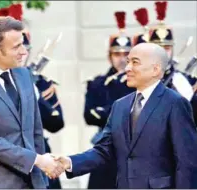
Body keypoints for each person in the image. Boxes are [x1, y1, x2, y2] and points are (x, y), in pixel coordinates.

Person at [54, 43, 197, 189]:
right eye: (128, 62)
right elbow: (104, 150)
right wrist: (70, 162)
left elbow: (187, 162)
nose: (127, 68)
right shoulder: (120, 106)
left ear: (156, 69)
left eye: (135, 62)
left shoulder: (175, 103)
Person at [0, 16, 64, 189]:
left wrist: (43, 171)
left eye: (23, 44)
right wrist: (37, 160)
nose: (24, 52)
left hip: (32, 181)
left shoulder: (24, 75)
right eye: (17, 47)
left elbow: (35, 129)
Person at [84, 11, 135, 189]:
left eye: (126, 54)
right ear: (110, 56)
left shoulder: (138, 83)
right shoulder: (97, 83)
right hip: (105, 149)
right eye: (117, 54)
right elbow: (89, 116)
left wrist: (105, 111)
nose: (121, 59)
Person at [22, 31, 64, 189]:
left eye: (25, 49)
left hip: (38, 152)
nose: (21, 54)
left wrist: (36, 96)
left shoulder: (41, 83)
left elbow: (56, 123)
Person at [149, 1, 197, 125]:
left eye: (167, 48)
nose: (163, 52)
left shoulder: (182, 80)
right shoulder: (135, 77)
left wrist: (191, 98)